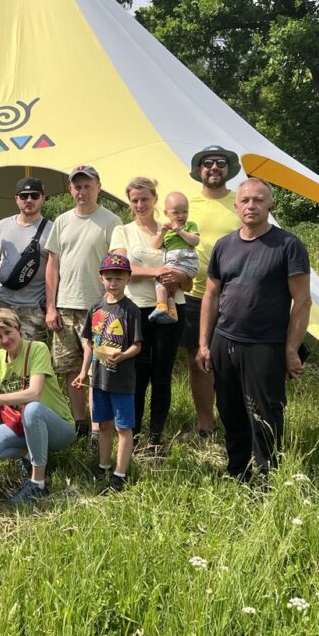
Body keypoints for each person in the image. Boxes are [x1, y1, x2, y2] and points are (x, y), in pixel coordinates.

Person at [198, 178, 312, 482]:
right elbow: (211, 295)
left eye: (259, 200)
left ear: (270, 204)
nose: (252, 205)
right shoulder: (224, 245)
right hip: (224, 340)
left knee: (265, 414)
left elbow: (302, 301)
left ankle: (267, 478)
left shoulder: (288, 245)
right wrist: (204, 344)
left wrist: (291, 349)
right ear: (236, 206)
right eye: (246, 200)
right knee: (230, 410)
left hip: (265, 344)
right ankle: (238, 472)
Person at [0, 310, 76, 507]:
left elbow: (34, 393)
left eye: (8, 332)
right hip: (23, 426)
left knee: (32, 409)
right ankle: (28, 454)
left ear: (19, 329)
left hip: (59, 428)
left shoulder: (37, 349)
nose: (5, 339)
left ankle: (37, 483)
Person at [108, 179, 189, 452]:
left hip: (173, 306)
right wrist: (157, 271)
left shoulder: (173, 229)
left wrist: (179, 276)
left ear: (155, 199)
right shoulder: (123, 231)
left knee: (162, 375)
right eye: (135, 200)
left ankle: (155, 438)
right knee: (137, 374)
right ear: (129, 203)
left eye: (145, 198)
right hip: (137, 309)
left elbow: (188, 273)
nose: (140, 204)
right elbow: (123, 268)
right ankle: (133, 435)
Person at [44, 165, 121, 443]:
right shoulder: (62, 221)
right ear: (70, 190)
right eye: (77, 186)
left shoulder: (111, 221)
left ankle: (98, 428)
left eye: (88, 186)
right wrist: (50, 307)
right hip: (65, 306)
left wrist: (112, 303)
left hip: (99, 307)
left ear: (98, 187)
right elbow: (52, 265)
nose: (82, 191)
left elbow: (117, 265)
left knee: (97, 369)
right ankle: (80, 423)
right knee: (70, 368)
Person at [183, 146, 242, 438]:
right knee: (199, 361)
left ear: (228, 168)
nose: (214, 167)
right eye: (208, 163)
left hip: (235, 295)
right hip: (194, 293)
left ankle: (236, 422)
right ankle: (206, 425)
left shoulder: (240, 202)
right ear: (199, 170)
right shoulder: (188, 204)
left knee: (233, 362)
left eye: (220, 162)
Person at [72, 254, 142, 493]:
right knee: (103, 424)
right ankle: (103, 466)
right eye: (109, 278)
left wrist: (123, 355)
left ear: (128, 279)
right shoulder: (96, 308)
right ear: (101, 278)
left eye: (119, 278)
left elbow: (137, 346)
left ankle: (120, 474)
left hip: (122, 381)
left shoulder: (131, 310)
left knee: (123, 428)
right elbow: (90, 344)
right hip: (99, 379)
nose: (113, 283)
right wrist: (84, 372)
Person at [0, 177, 52, 344]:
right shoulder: (2, 226)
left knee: (29, 355)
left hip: (32, 306)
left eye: (34, 195)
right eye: (24, 196)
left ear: (43, 199)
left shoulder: (52, 230)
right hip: (0, 302)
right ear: (16, 199)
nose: (29, 200)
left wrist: (51, 307)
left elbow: (55, 273)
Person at [148, 191, 200, 325]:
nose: (181, 216)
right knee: (170, 284)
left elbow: (195, 241)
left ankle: (161, 306)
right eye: (176, 213)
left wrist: (180, 231)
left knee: (160, 277)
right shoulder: (165, 230)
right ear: (166, 213)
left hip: (186, 260)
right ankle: (172, 311)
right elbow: (155, 245)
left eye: (185, 212)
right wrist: (162, 233)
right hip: (174, 262)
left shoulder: (190, 225)